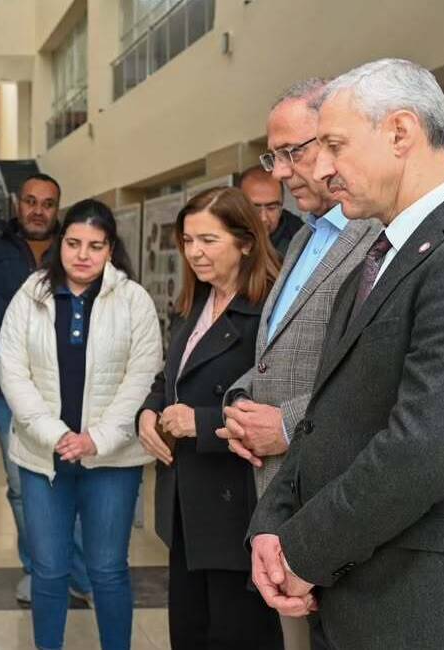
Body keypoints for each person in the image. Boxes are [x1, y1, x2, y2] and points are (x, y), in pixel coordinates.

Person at [247, 58, 444, 650]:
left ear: (400, 132)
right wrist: (272, 523)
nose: (323, 167)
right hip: (355, 593)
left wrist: (302, 549)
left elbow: (424, 449)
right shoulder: (377, 257)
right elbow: (326, 417)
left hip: (427, 606)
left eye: (334, 145)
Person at [216, 79, 381, 649]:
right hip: (281, 495)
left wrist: (287, 423)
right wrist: (238, 405)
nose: (281, 173)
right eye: (274, 156)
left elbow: (374, 374)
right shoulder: (307, 237)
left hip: (335, 496)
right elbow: (271, 353)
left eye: (294, 153)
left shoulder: (377, 238)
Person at [0, 199, 160, 650]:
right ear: (59, 243)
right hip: (42, 456)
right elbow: (13, 373)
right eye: (73, 243)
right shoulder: (30, 295)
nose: (82, 254)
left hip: (113, 459)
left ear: (111, 249)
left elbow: (143, 376)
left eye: (95, 245)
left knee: (107, 569)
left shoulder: (134, 301)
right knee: (48, 570)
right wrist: (58, 435)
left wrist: (97, 439)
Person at [136, 187, 281, 649]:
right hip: (186, 504)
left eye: (208, 240)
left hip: (234, 507)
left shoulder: (268, 313)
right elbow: (171, 376)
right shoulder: (196, 303)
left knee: (234, 635)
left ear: (245, 242)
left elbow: (281, 406)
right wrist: (148, 411)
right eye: (187, 239)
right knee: (190, 632)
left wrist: (200, 422)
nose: (194, 252)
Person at [0, 173, 92, 604]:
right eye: (31, 201)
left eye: (48, 203)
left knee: (70, 476)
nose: (38, 210)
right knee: (23, 483)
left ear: (58, 208)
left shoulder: (76, 250)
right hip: (8, 390)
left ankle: (75, 572)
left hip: (71, 387)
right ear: (18, 204)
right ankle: (38, 570)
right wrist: (40, 327)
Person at [239, 164, 304, 259]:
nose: (263, 218)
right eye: (255, 208)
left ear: (281, 207)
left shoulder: (300, 240)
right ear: (239, 206)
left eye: (271, 208)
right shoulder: (223, 233)